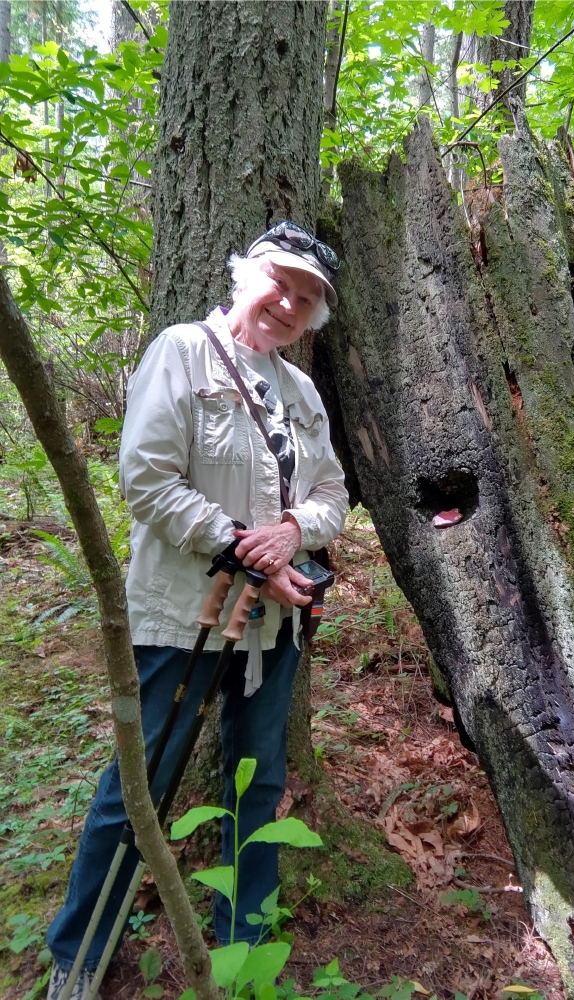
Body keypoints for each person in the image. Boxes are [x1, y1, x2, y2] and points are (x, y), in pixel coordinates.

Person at [46, 222, 349, 1000]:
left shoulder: (301, 391)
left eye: (307, 297)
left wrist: (293, 532)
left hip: (273, 629)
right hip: (186, 617)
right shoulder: (182, 352)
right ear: (246, 275)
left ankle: (243, 952)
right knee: (140, 789)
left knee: (259, 785)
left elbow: (332, 495)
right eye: (280, 282)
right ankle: (79, 955)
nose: (289, 303)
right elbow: (145, 479)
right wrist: (247, 552)